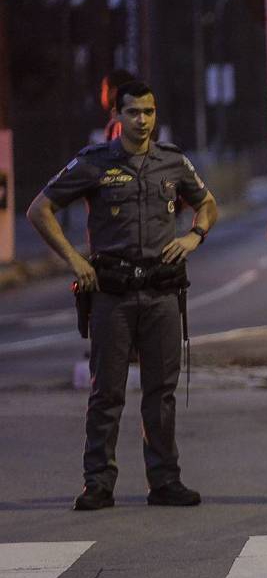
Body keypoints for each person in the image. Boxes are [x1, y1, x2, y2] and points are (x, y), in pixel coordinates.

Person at [26, 80, 218, 510]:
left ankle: (165, 480)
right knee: (107, 392)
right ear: (117, 117)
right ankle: (98, 482)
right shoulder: (95, 163)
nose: (142, 120)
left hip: (162, 293)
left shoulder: (172, 161)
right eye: (133, 112)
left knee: (161, 392)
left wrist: (194, 237)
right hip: (111, 294)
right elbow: (40, 209)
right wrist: (75, 261)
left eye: (149, 112)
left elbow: (208, 204)